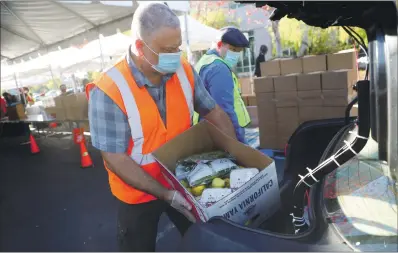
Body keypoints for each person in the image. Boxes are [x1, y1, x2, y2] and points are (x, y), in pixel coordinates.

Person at [86, 3, 236, 252]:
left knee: (209, 240)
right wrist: (165, 194)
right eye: (167, 50)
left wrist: (235, 156)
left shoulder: (184, 70)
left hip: (185, 179)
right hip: (137, 193)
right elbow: (114, 157)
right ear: (139, 47)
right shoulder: (108, 90)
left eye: (177, 47)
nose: (175, 55)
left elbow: (214, 112)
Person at [193, 27, 251, 144]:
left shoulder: (205, 61)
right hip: (223, 134)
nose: (236, 55)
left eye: (239, 51)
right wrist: (239, 141)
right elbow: (225, 110)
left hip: (207, 130)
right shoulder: (218, 69)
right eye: (233, 49)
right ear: (219, 45)